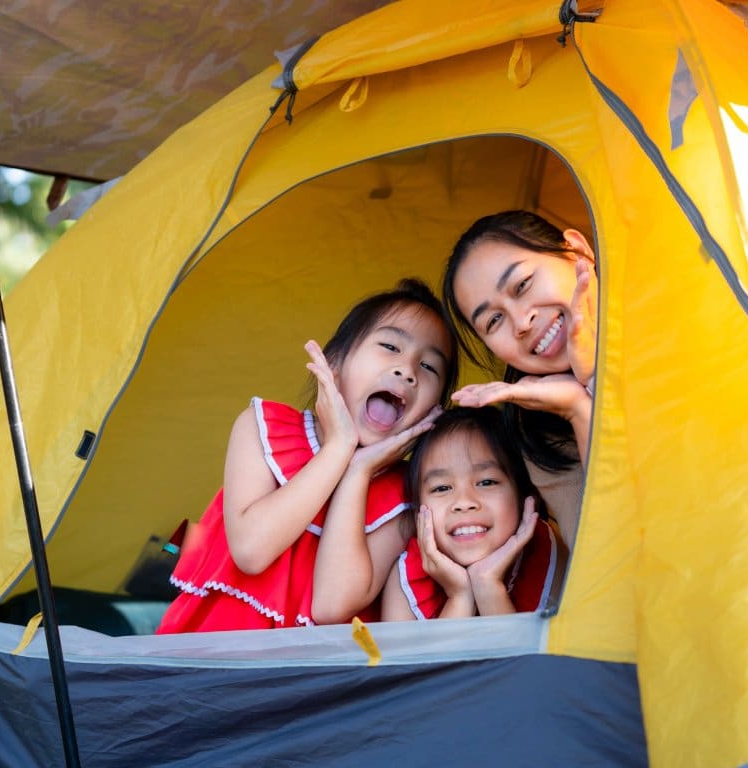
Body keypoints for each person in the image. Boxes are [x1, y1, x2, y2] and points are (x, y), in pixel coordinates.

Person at [157, 278, 457, 633]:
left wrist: (357, 472)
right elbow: (251, 551)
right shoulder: (263, 427)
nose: (407, 371)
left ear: (433, 412)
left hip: (303, 683)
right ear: (334, 362)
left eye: (429, 367)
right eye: (390, 346)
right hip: (211, 660)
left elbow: (331, 605)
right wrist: (337, 448)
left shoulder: (405, 499)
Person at [440, 210, 597, 547]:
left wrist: (596, 374)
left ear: (576, 251)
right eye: (494, 321)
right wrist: (579, 410)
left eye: (522, 285)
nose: (521, 323)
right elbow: (605, 555)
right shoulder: (536, 430)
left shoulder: (676, 304)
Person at [381, 407, 564, 620]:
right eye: (441, 488)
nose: (464, 502)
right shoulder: (408, 577)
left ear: (526, 497)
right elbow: (425, 655)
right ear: (416, 511)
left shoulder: (548, 553)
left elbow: (529, 655)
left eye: (487, 482)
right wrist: (459, 596)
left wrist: (488, 586)